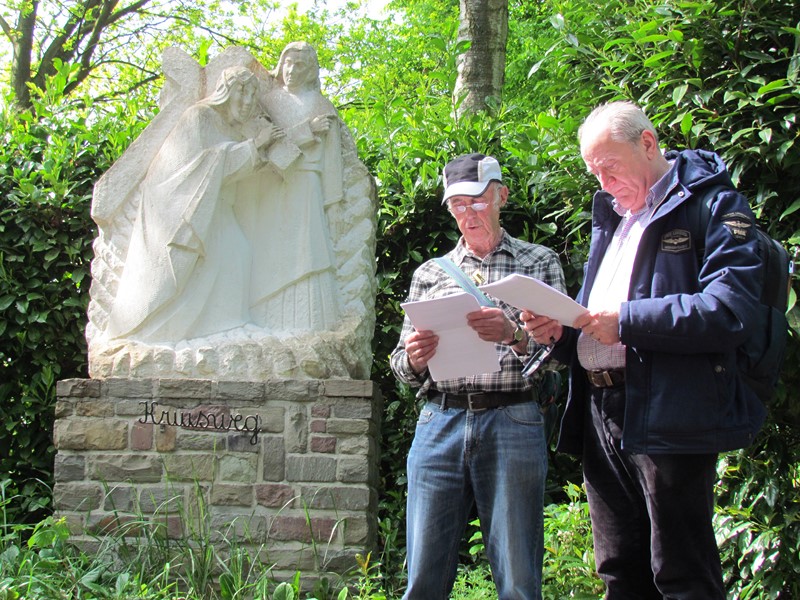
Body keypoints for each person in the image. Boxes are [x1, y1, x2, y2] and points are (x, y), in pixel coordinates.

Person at [521, 101, 766, 598]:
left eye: (609, 169)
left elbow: (730, 308)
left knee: (681, 573)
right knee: (619, 571)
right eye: (594, 173)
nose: (603, 185)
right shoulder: (615, 218)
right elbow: (598, 325)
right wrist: (560, 334)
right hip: (600, 410)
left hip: (670, 410)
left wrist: (627, 322)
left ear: (648, 144)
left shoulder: (715, 206)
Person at [390, 153, 567, 600]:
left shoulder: (540, 262)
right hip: (439, 421)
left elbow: (563, 356)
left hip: (513, 418)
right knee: (424, 576)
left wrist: (515, 337)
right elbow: (400, 368)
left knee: (518, 577)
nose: (467, 214)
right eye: (457, 205)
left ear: (501, 196)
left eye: (477, 202)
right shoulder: (430, 273)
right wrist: (414, 358)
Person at [107, 65, 283, 342]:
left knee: (239, 251)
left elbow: (230, 168)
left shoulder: (232, 129)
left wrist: (261, 152)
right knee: (227, 254)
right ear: (225, 92)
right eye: (242, 94)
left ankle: (230, 323)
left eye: (252, 97)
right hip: (183, 210)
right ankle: (155, 331)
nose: (247, 103)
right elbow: (205, 165)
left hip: (214, 208)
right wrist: (255, 146)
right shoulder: (200, 116)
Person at [244, 41, 342, 332]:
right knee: (272, 253)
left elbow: (332, 160)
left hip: (307, 184)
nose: (292, 70)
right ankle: (265, 321)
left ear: (311, 69)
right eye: (288, 62)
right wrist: (305, 131)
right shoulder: (268, 102)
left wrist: (334, 202)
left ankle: (309, 326)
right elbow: (265, 143)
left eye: (300, 64)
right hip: (272, 184)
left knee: (309, 252)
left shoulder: (322, 105)